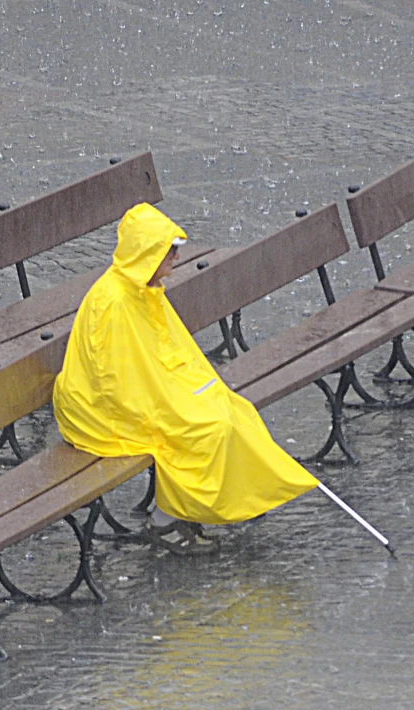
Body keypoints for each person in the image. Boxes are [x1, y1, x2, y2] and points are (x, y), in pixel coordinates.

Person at [53, 203, 319, 554]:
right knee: (199, 428)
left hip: (130, 393)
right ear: (149, 254)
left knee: (230, 413)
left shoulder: (143, 290)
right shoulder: (115, 303)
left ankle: (214, 502)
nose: (176, 259)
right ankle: (165, 521)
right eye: (170, 252)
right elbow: (116, 381)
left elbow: (164, 353)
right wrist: (175, 400)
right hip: (100, 409)